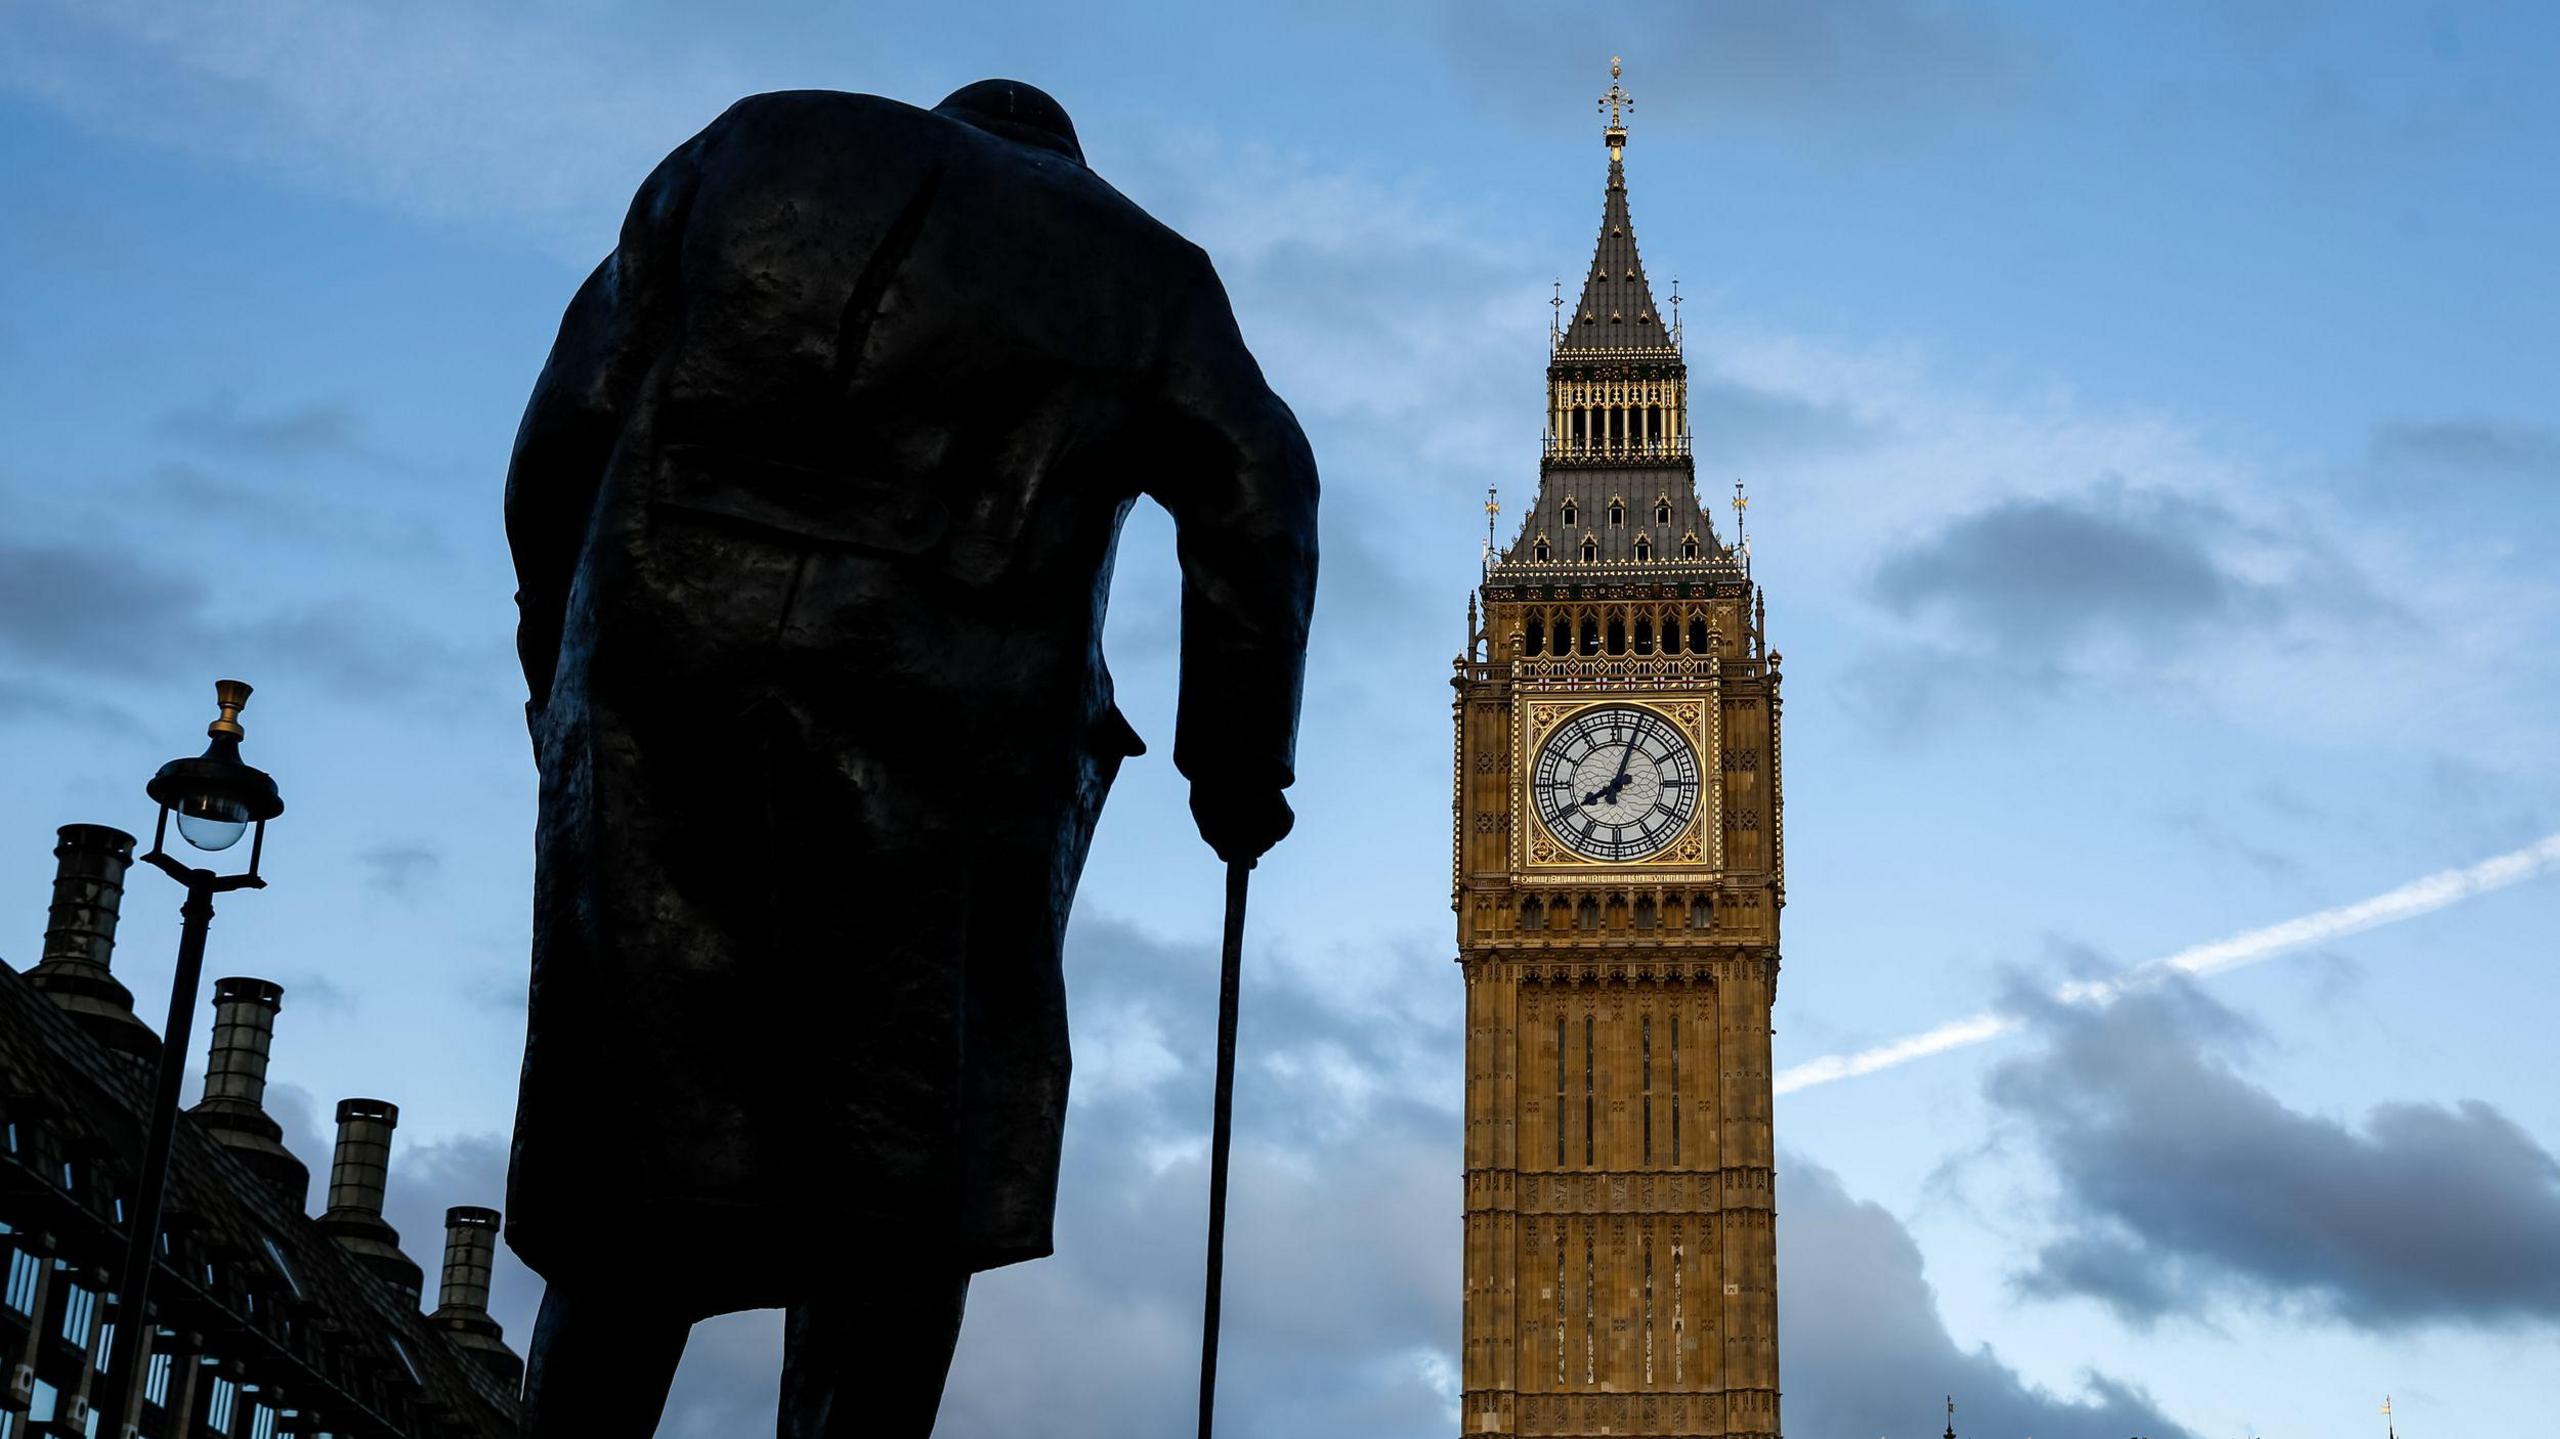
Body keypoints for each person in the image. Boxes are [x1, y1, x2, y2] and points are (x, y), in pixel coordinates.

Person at [500, 78, 1318, 1436]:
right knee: (902, 1180)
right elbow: (1260, 492)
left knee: (633, 1160)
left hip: (660, 688)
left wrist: (564, 671)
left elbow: (563, 430)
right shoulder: (1148, 269)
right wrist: (1235, 767)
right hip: (952, 735)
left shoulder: (755, 140)